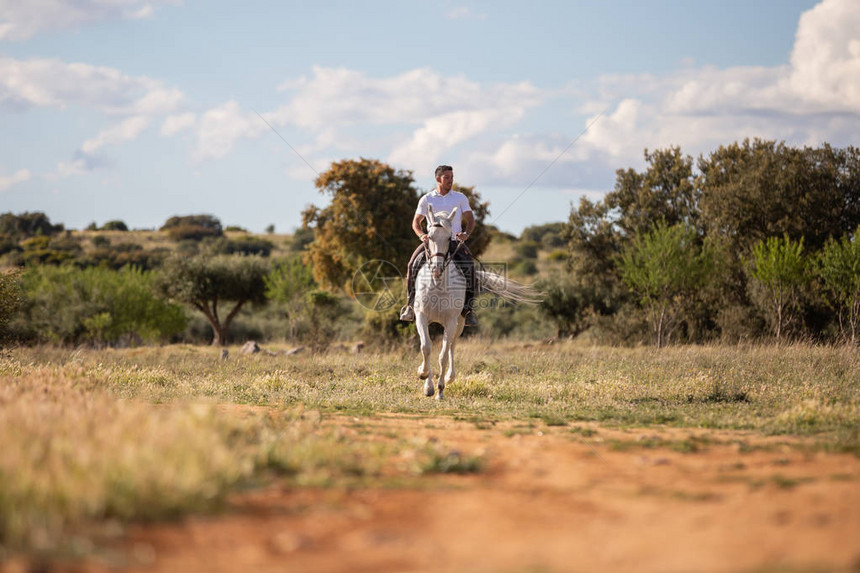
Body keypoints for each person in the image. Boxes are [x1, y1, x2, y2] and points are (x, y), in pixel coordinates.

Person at [399, 165, 478, 327]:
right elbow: (416, 222)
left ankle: (468, 311)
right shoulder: (427, 199)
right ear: (438, 179)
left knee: (470, 267)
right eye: (447, 177)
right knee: (411, 265)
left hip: (454, 242)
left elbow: (470, 219)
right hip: (432, 242)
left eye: (452, 177)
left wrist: (466, 234)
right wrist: (422, 235)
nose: (450, 180)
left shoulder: (460, 197)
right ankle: (410, 306)